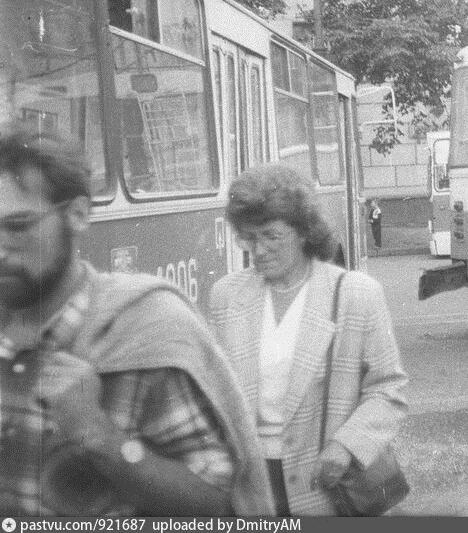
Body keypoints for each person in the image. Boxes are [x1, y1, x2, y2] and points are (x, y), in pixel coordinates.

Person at [0, 126, 272, 516]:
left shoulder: (147, 326)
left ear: (77, 215)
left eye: (19, 226)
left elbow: (223, 503)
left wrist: (101, 437)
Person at [209, 165, 408, 516]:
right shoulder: (227, 295)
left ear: (303, 232)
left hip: (324, 481)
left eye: (271, 236)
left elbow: (387, 389)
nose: (258, 250)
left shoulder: (356, 294)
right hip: (252, 482)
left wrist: (346, 446)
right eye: (249, 238)